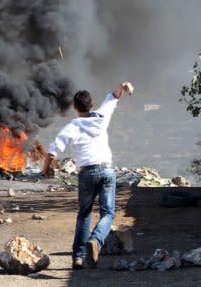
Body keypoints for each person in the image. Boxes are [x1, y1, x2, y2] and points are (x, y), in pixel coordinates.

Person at [42, 81, 133, 269]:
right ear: (91, 105)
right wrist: (124, 85)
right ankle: (96, 240)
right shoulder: (101, 116)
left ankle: (78, 257)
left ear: (75, 107)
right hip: (107, 170)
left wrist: (45, 167)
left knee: (84, 214)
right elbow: (113, 97)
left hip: (87, 173)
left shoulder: (72, 126)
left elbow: (53, 151)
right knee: (108, 213)